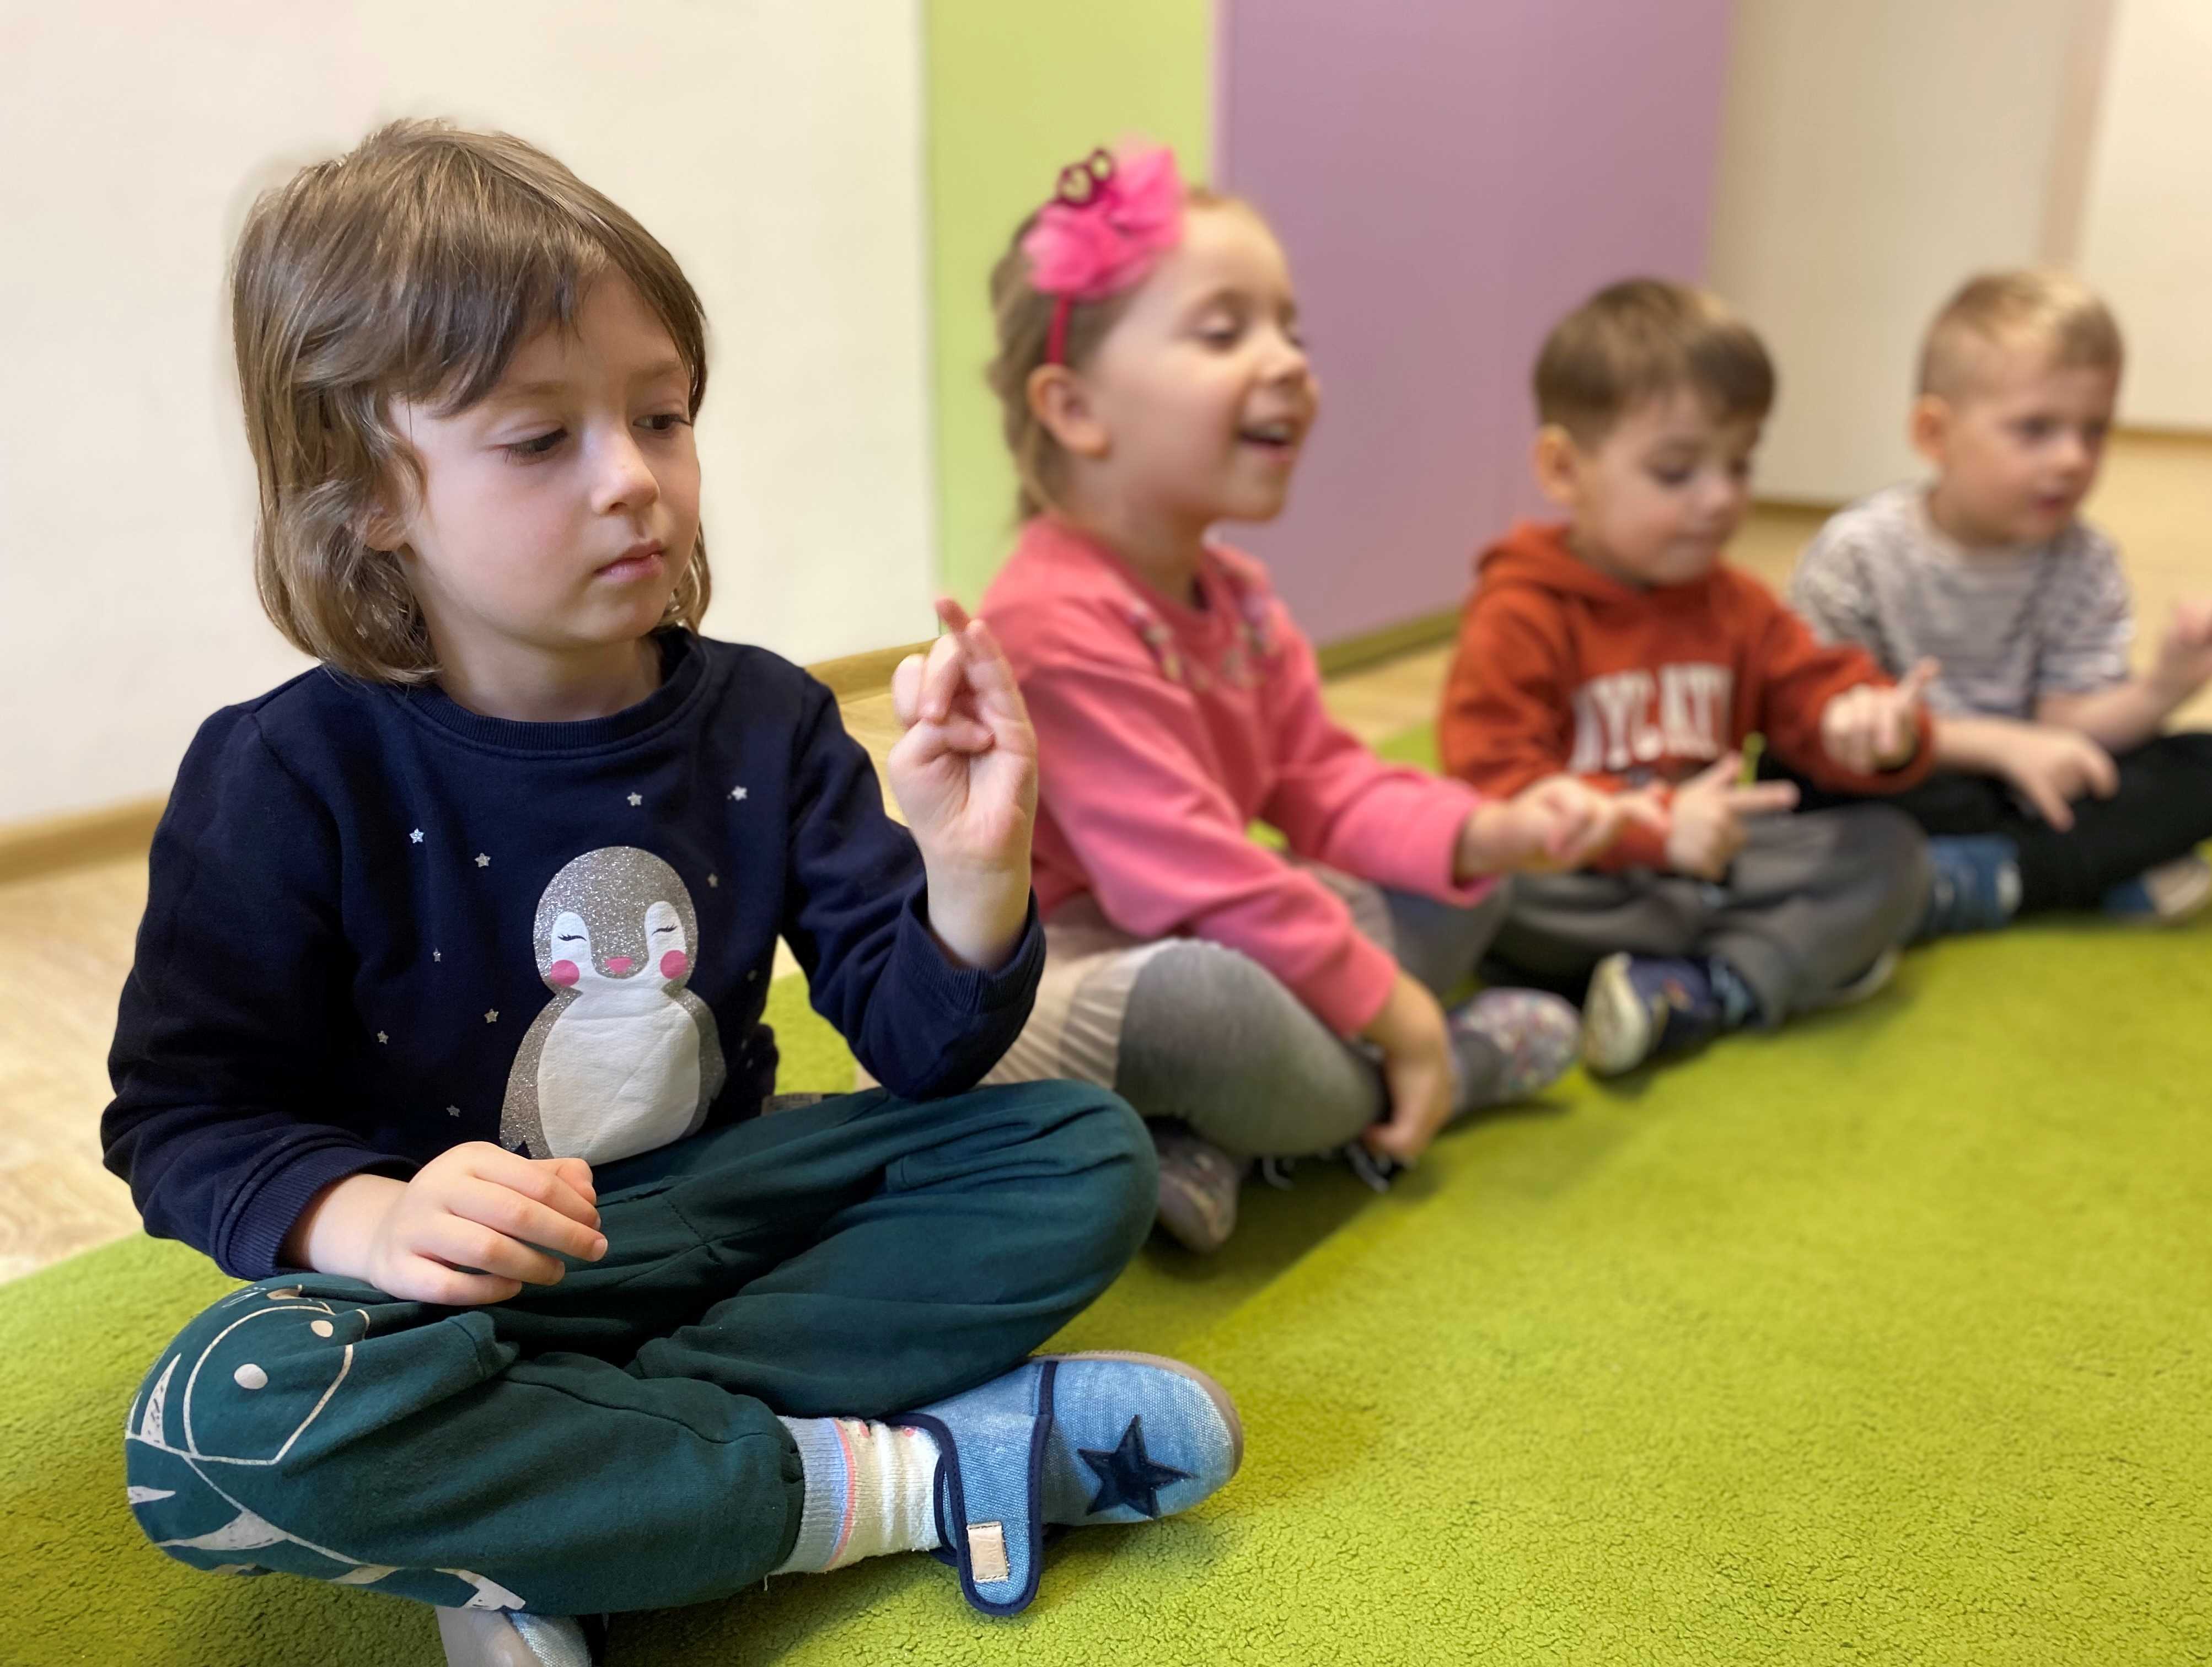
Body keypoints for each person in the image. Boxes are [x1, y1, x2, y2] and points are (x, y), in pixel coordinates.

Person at [102, 121, 1239, 1667]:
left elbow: (921, 1050)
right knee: (210, 1424)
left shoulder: (768, 721)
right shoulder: (285, 774)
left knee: (1081, 1149)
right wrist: (368, 1217)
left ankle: (566, 1494)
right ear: (365, 492)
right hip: (470, 1302)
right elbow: (183, 1116)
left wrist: (974, 879)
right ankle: (888, 1478)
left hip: (726, 1208)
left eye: (663, 417)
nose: (633, 479)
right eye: (539, 440)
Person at [974, 144, 1651, 1251]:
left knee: (1463, 885)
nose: (1288, 362)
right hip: (1080, 979)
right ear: (1077, 408)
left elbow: (1324, 782)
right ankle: (1440, 1069)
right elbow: (1189, 875)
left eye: (1292, 331)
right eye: (1223, 331)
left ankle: (1222, 1138)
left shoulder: (1236, 595)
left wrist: (1487, 829)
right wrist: (1405, 1015)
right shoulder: (1050, 622)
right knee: (1210, 1007)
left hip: (1195, 924)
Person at [1440, 279, 1935, 1077]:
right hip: (1579, 885)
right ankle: (1750, 961)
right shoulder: (1519, 612)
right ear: (1564, 469)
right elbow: (1493, 785)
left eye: (1739, 465)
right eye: (1676, 473)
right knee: (1476, 880)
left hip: (1707, 867)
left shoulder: (1738, 604)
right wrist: (1652, 829)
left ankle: (1697, 990)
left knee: (1891, 852)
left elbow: (1812, 690)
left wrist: (1868, 724)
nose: (1722, 499)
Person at [1787, 270, 2212, 936]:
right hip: (1913, 777)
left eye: (2094, 431)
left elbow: (2073, 725)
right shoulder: (1857, 553)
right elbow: (1819, 719)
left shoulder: (2085, 560)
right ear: (1935, 433)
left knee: (2207, 765)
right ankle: (2058, 874)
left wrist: (2166, 686)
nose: (2073, 459)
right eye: (2036, 429)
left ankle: (1968, 880)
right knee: (1800, 774)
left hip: (2031, 792)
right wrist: (1996, 745)